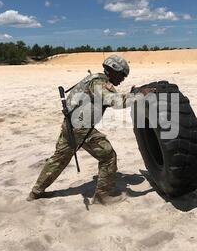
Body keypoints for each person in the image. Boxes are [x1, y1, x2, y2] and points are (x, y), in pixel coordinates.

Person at [27, 55, 151, 205]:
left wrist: (130, 95)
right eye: (122, 75)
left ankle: (36, 192)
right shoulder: (99, 83)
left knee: (58, 160)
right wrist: (138, 96)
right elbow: (114, 101)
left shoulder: (95, 80)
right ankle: (102, 196)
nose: (122, 79)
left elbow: (110, 96)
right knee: (108, 157)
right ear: (113, 70)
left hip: (70, 125)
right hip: (81, 129)